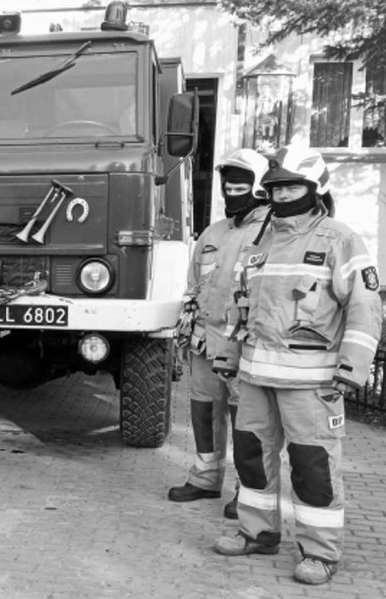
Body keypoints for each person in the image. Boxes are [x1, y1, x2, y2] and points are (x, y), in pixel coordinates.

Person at [211, 146, 382, 585]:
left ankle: (320, 553)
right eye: (276, 188)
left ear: (316, 188)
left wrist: (352, 366)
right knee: (251, 458)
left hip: (311, 384)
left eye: (293, 187)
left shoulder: (339, 239)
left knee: (313, 467)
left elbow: (365, 306)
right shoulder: (260, 242)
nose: (283, 195)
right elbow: (240, 306)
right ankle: (257, 532)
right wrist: (229, 355)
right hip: (254, 377)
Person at [170, 149, 270, 519]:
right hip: (204, 344)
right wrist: (187, 333)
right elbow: (194, 288)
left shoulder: (271, 234)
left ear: (259, 188)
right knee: (203, 412)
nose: (232, 192)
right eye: (227, 186)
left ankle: (249, 489)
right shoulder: (212, 234)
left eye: (241, 185)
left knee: (246, 420)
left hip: (244, 347)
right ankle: (206, 476)